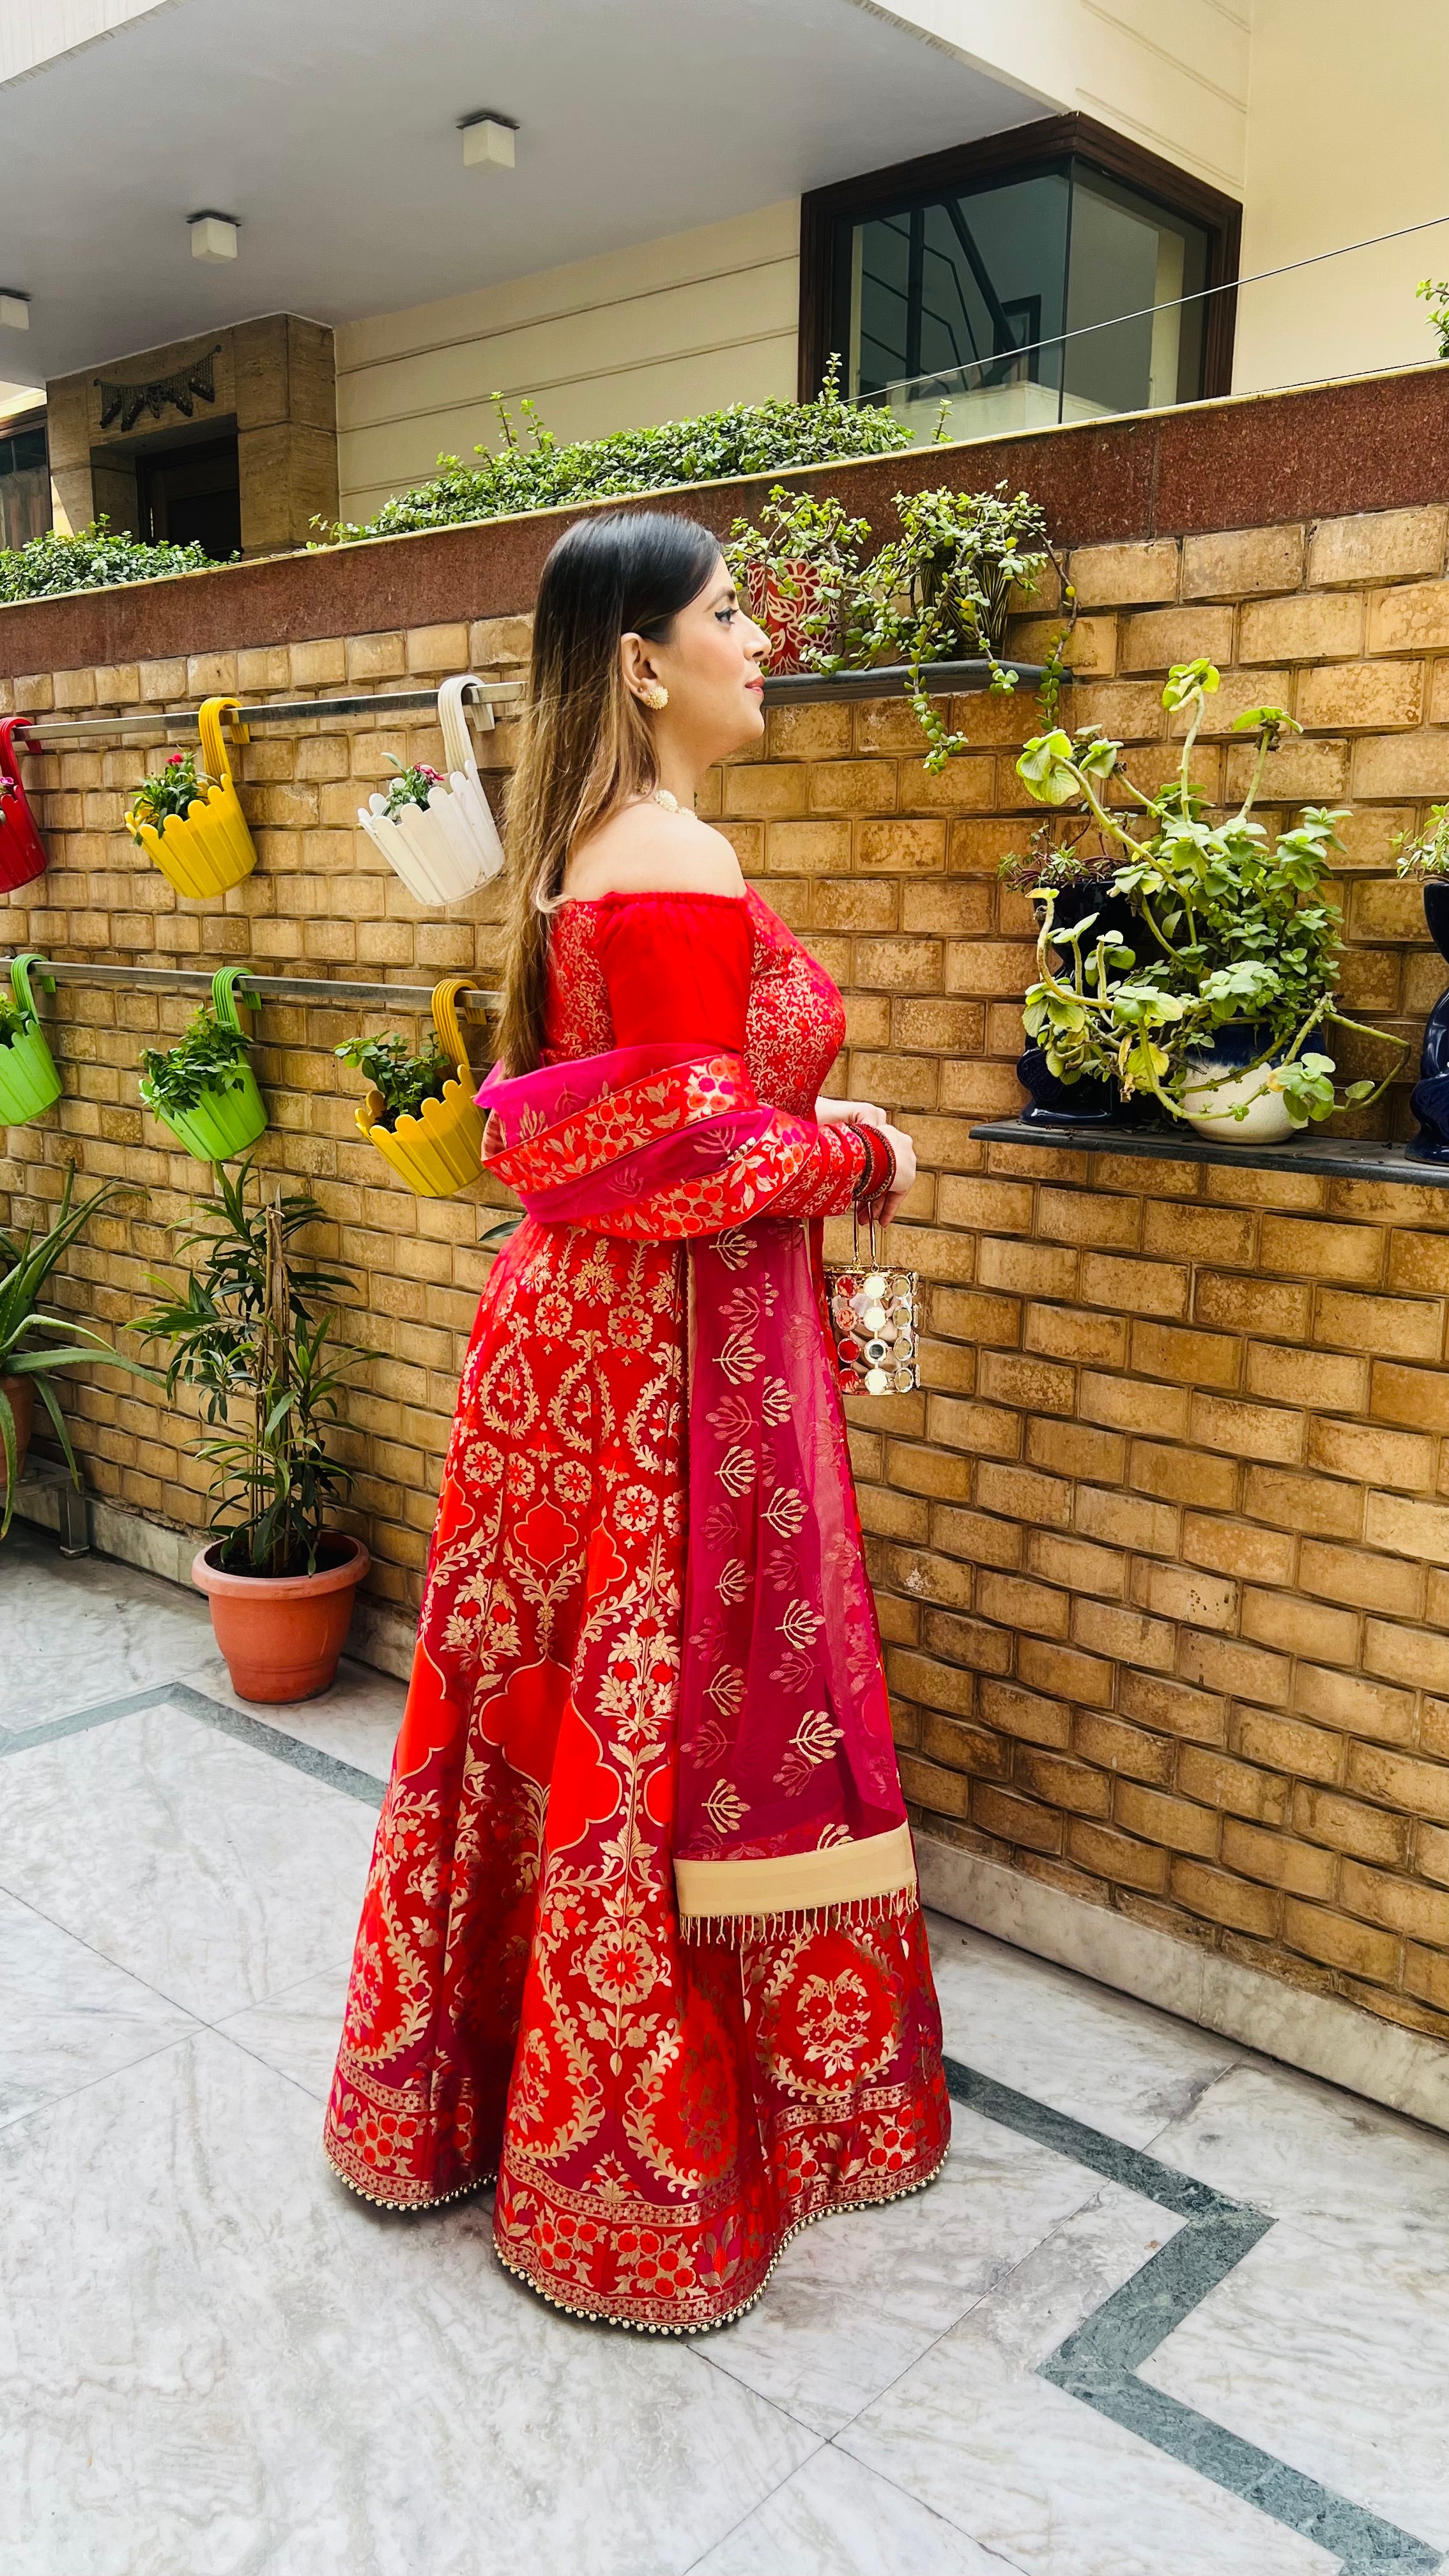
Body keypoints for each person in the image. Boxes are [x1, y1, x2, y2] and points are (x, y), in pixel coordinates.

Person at [324, 507, 949, 2332]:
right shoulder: (672, 850)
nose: (761, 642)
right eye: (729, 614)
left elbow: (623, 1121)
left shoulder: (585, 844)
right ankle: (637, 2183)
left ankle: (468, 2111)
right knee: (654, 1715)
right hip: (659, 1357)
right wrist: (861, 1155)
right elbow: (690, 1150)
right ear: (642, 662)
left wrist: (796, 1142)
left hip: (576, 1342)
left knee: (557, 1706)